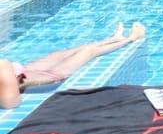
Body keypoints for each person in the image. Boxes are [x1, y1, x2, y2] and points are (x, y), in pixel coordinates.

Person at [0, 22, 146, 110]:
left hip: (21, 72)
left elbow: (11, 99)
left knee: (61, 54)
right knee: (88, 52)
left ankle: (115, 39)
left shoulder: (4, 66)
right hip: (34, 76)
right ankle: (131, 38)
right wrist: (11, 84)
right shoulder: (3, 67)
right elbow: (11, 103)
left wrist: (11, 81)